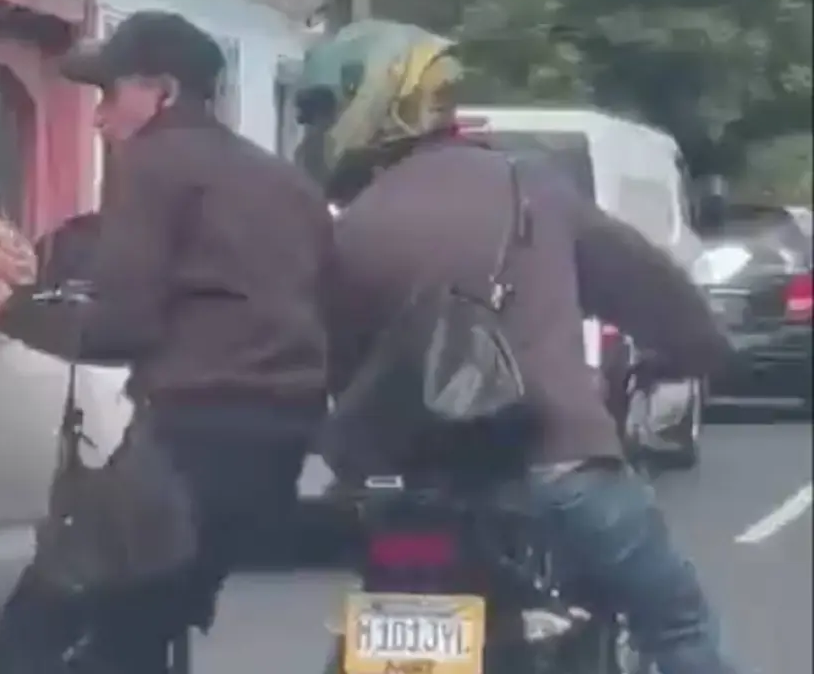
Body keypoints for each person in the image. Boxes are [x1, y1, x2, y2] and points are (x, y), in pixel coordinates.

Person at [305, 36, 738, 674]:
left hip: (410, 496)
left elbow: (334, 366)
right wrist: (702, 350)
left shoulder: (351, 227)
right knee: (675, 622)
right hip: (558, 471)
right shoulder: (530, 188)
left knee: (387, 598)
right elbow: (650, 288)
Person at [0, 11, 333, 673]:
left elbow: (121, 326)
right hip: (281, 451)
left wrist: (7, 309)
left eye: (109, 93)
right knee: (134, 634)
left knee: (34, 630)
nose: (98, 117)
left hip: (191, 442)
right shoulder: (288, 185)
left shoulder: (154, 161)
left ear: (162, 92)